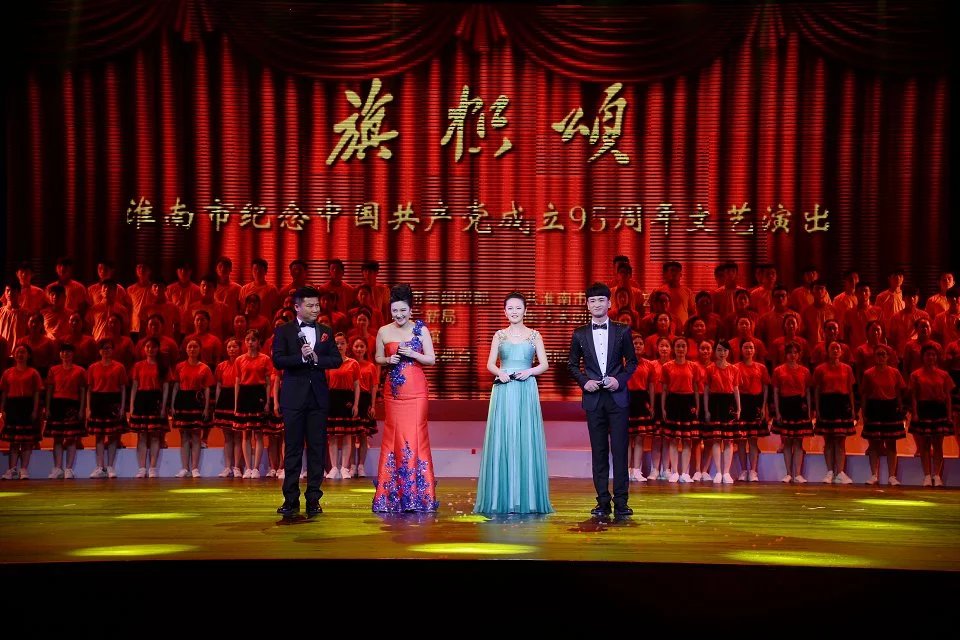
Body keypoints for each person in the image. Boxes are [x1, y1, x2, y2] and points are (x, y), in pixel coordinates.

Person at [474, 292, 553, 514]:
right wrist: (500, 372)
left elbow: (544, 364)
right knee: (504, 436)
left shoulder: (534, 335)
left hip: (526, 388)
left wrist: (529, 372)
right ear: (505, 311)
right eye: (510, 308)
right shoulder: (499, 335)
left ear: (525, 310)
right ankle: (502, 498)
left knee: (525, 437)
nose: (514, 311)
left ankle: (527, 499)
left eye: (518, 307)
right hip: (504, 388)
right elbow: (490, 363)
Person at [567, 283, 638, 517]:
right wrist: (584, 382)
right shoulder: (579, 333)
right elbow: (571, 364)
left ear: (609, 303)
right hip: (594, 399)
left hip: (617, 398)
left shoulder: (622, 331)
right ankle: (603, 502)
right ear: (587, 305)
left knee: (619, 450)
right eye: (592, 301)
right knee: (598, 452)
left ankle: (622, 502)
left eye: (601, 300)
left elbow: (632, 362)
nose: (597, 304)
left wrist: (620, 380)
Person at [272, 287, 342, 517]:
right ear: (297, 307)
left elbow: (336, 360)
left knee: (316, 449)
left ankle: (313, 499)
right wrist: (301, 358)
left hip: (318, 398)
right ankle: (290, 500)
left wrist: (317, 359)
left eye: (317, 305)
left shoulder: (326, 331)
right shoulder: (284, 331)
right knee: (292, 449)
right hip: (293, 397)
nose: (315, 309)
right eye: (310, 305)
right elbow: (278, 360)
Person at [373, 284, 439, 513]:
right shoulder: (383, 331)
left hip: (416, 391)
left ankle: (420, 497)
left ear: (411, 310)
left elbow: (431, 359)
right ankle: (391, 496)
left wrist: (413, 354)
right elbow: (377, 357)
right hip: (393, 392)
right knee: (393, 437)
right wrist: (387, 360)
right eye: (395, 311)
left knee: (416, 436)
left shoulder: (421, 329)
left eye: (403, 310)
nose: (399, 315)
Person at [908, 344, 955, 487]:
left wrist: (949, 415)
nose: (931, 357)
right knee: (925, 445)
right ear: (923, 357)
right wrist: (915, 413)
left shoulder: (944, 374)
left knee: (938, 444)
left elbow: (948, 396)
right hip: (923, 409)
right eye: (928, 354)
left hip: (939, 409)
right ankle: (927, 476)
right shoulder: (915, 375)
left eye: (933, 355)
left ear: (937, 357)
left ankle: (937, 475)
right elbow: (914, 396)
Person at [860, 345, 906, 485]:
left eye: (883, 354)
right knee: (874, 443)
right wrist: (863, 412)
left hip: (890, 408)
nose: (881, 357)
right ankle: (874, 474)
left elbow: (899, 392)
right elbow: (864, 394)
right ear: (874, 357)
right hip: (874, 407)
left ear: (888, 357)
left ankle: (892, 476)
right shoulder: (868, 373)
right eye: (878, 354)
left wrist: (901, 409)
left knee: (891, 443)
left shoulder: (895, 372)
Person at [813, 341, 857, 484]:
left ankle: (840, 472)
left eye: (837, 348)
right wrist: (817, 409)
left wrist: (853, 408)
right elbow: (817, 390)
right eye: (832, 348)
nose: (835, 351)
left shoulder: (847, 369)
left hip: (842, 404)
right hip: (827, 403)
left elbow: (850, 390)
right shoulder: (820, 369)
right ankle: (830, 471)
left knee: (840, 440)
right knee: (828, 440)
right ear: (827, 351)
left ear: (841, 352)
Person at [128, 337, 172, 478]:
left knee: (154, 435)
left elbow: (166, 387)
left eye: (153, 347)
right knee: (141, 435)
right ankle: (142, 468)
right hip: (141, 400)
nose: (150, 349)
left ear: (158, 349)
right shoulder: (138, 366)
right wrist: (132, 405)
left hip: (156, 399)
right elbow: (134, 387)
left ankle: (152, 467)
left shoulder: (163, 366)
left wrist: (163, 406)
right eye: (147, 346)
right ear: (144, 349)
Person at [170, 338, 214, 477]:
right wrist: (172, 404)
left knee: (196, 435)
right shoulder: (179, 367)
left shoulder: (205, 368)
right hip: (182, 400)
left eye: (195, 347)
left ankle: (194, 468)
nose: (192, 349)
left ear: (199, 349)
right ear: (186, 349)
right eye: (190, 347)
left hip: (197, 401)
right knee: (184, 435)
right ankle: (184, 468)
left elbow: (207, 389)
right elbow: (176, 386)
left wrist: (206, 407)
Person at [771, 342, 813, 483]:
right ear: (785, 355)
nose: (792, 355)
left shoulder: (805, 371)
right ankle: (788, 473)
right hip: (785, 405)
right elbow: (776, 392)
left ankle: (798, 474)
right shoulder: (778, 371)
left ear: (799, 355)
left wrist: (809, 411)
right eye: (790, 352)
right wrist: (777, 412)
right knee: (787, 441)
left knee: (799, 442)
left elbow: (808, 392)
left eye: (795, 352)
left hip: (800, 406)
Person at [44, 343, 87, 479]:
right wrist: (47, 407)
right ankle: (58, 468)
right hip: (57, 404)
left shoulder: (80, 370)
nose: (65, 354)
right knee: (57, 438)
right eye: (63, 351)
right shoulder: (53, 370)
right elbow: (49, 390)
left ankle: (68, 468)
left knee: (71, 438)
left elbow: (82, 391)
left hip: (72, 405)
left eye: (68, 352)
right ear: (59, 354)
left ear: (73, 354)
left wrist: (82, 409)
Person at [0, 345, 43, 479]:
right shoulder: (7, 373)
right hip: (12, 406)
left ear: (28, 355)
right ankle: (12, 469)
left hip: (27, 406)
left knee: (27, 441)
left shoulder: (33, 373)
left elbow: (37, 393)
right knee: (14, 441)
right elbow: (4, 392)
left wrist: (35, 410)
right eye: (18, 352)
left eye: (23, 352)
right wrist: (2, 409)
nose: (20, 355)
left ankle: (24, 469)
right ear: (14, 355)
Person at [703, 340, 741, 484]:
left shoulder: (734, 369)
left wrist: (739, 408)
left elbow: (736, 389)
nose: (722, 353)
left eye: (725, 350)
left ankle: (726, 472)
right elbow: (706, 391)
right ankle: (718, 472)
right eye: (719, 350)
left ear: (728, 352)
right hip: (715, 403)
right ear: (715, 351)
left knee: (729, 440)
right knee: (717, 439)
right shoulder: (710, 369)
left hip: (729, 403)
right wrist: (706, 409)